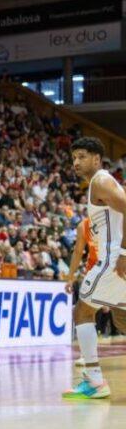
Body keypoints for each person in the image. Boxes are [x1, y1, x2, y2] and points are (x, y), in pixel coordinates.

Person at [63, 137, 122, 400]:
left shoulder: (101, 180)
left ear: (97, 158)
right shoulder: (98, 184)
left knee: (82, 311)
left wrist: (123, 253)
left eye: (82, 156)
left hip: (113, 261)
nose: (76, 162)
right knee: (121, 320)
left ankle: (94, 381)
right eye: (74, 157)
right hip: (114, 261)